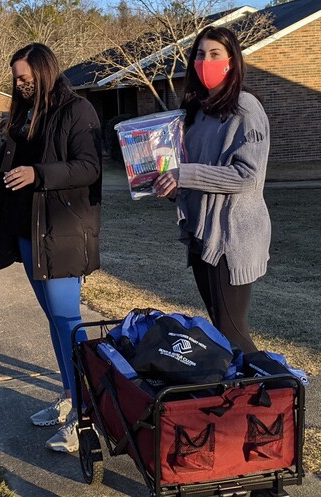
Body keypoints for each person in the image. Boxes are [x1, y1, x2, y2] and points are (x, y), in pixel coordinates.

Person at [0, 43, 102, 453]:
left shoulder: (77, 111)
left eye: (24, 77)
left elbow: (89, 167)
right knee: (55, 324)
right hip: (28, 234)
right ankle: (69, 395)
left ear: (44, 72)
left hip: (62, 233)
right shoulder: (24, 114)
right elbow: (4, 167)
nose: (19, 84)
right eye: (16, 79)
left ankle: (85, 413)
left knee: (68, 321)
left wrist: (39, 173)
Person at [153, 27, 271, 360]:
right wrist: (173, 186)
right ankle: (237, 402)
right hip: (200, 236)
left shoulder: (246, 109)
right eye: (200, 54)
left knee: (233, 335)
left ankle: (278, 394)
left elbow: (248, 176)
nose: (206, 61)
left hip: (231, 239)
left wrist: (185, 174)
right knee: (220, 332)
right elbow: (194, 175)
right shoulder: (196, 112)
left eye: (215, 54)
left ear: (232, 62)